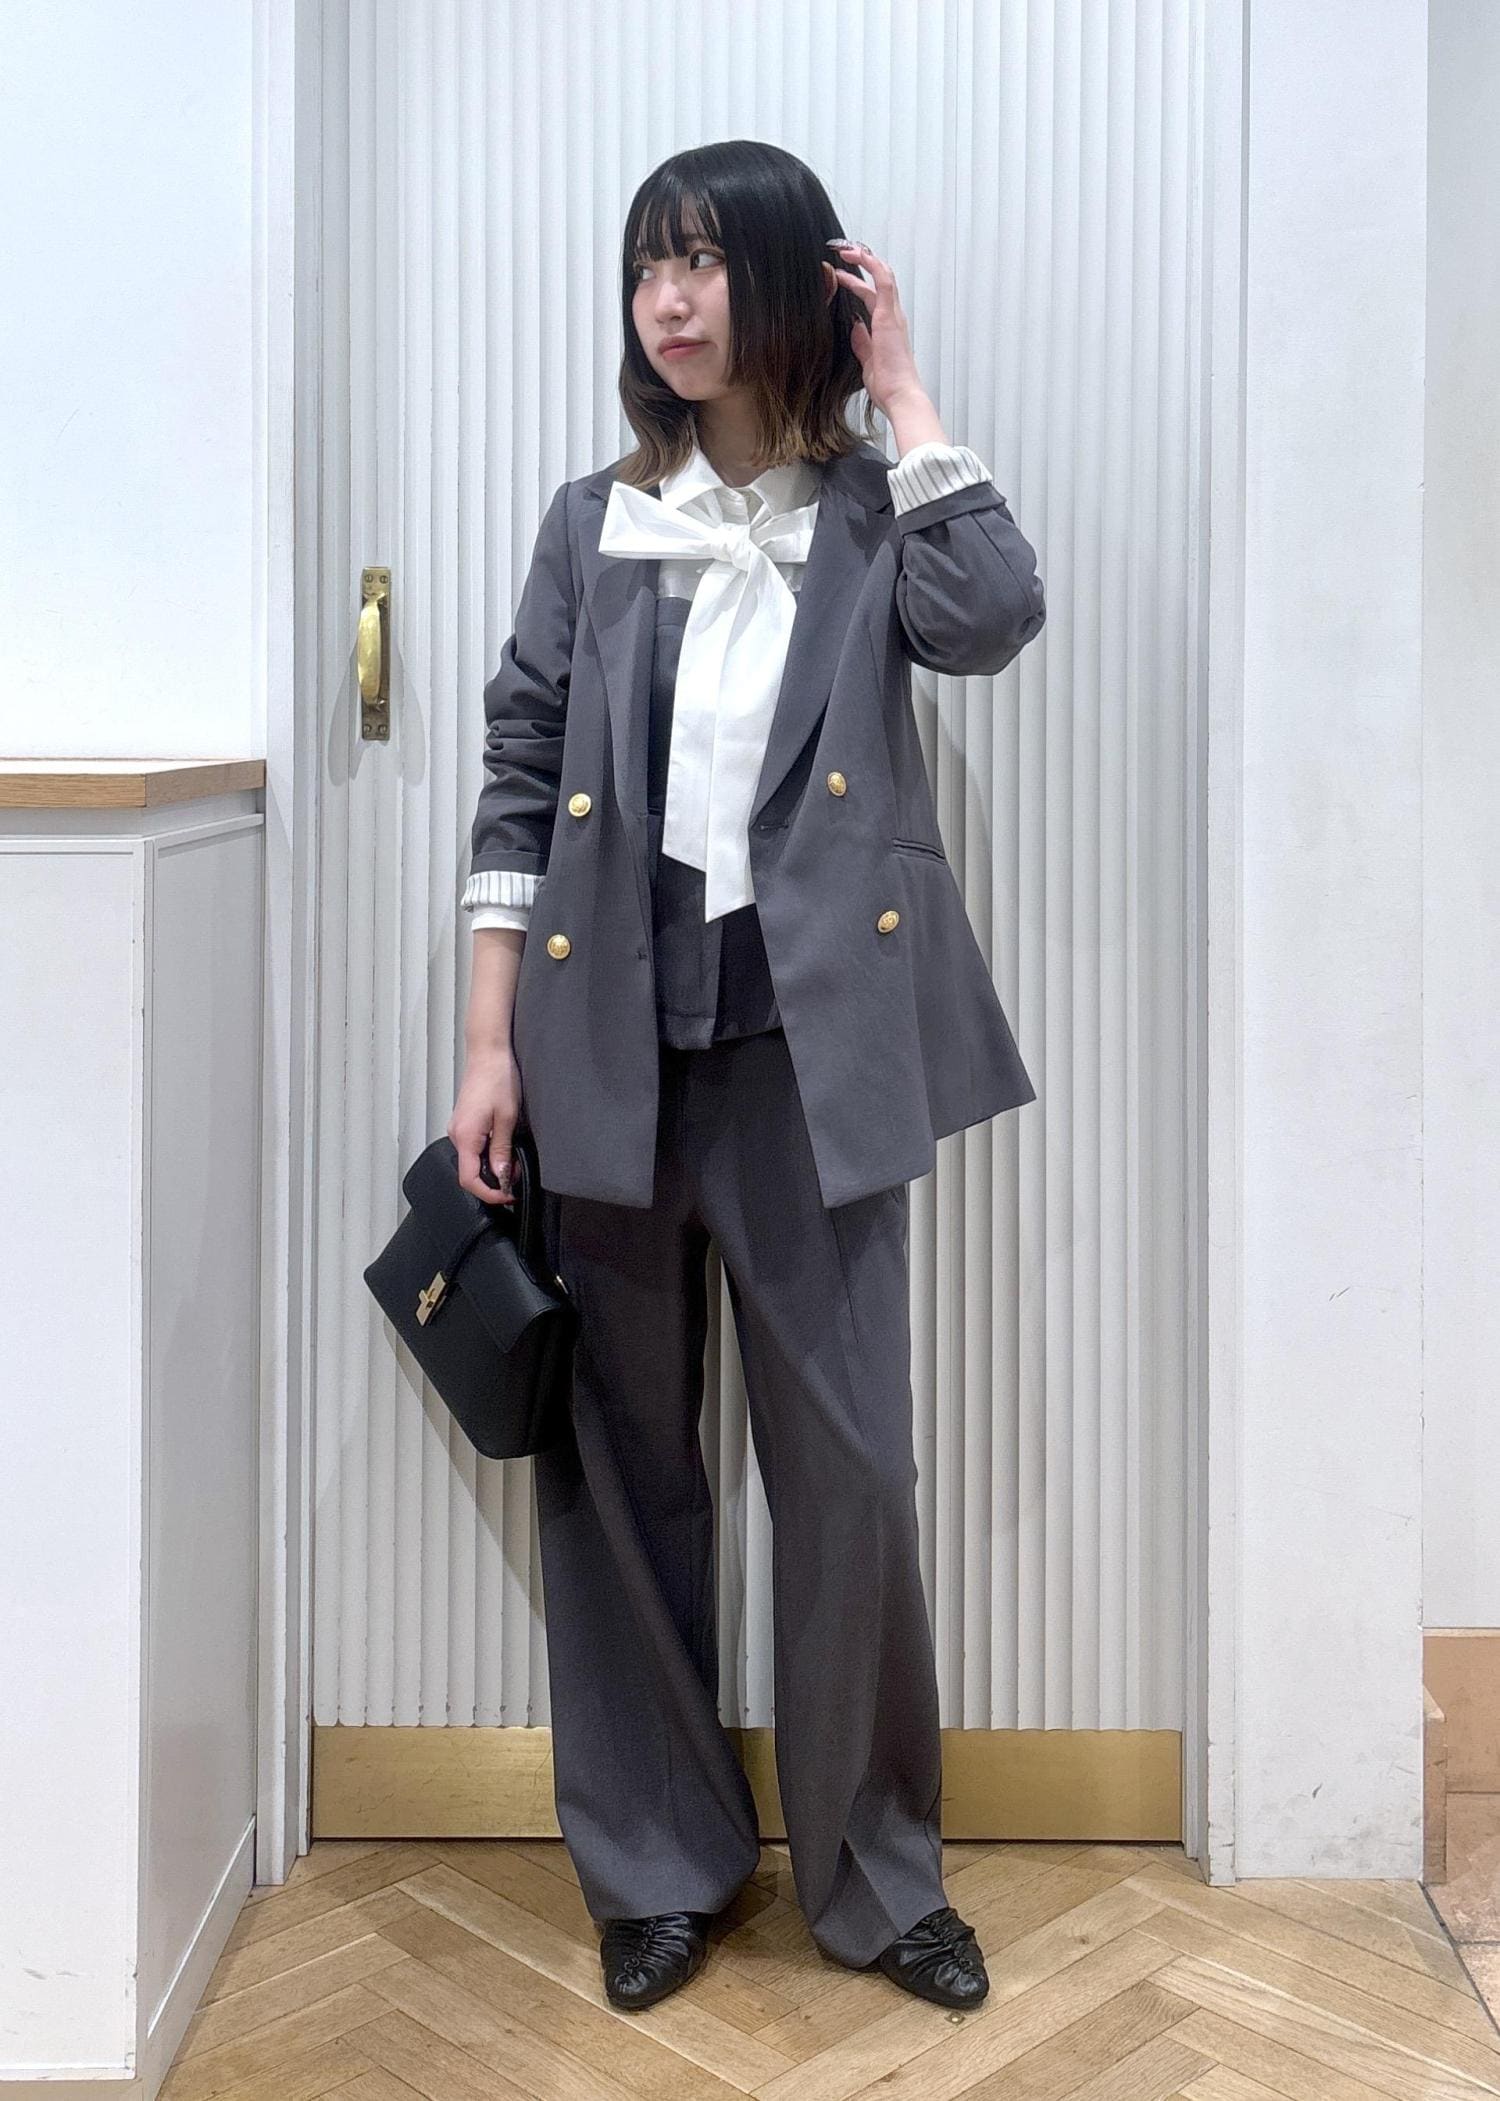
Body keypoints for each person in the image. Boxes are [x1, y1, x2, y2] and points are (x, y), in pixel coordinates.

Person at [448, 140, 1044, 2015]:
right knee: (623, 1470)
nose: (672, 299)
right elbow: (521, 775)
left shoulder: (878, 516)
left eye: (706, 261)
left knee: (851, 1473)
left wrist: (908, 396)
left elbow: (995, 617)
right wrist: (487, 1044)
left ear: (788, 283)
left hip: (814, 1053)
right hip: (609, 1045)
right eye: (649, 266)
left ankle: (875, 1873)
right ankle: (657, 1863)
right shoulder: (593, 526)